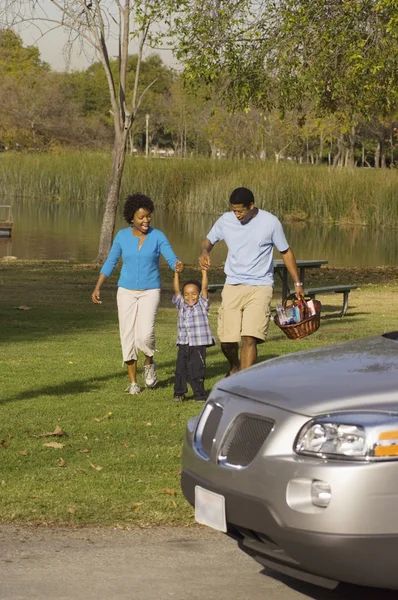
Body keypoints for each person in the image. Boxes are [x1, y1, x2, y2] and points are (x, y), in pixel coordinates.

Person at [198, 187, 304, 376]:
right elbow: (207, 241)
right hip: (232, 285)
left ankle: (242, 383)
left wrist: (297, 283)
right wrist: (205, 252)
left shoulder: (270, 222)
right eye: (234, 210)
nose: (237, 214)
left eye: (241, 210)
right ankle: (234, 366)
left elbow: (286, 252)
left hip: (260, 286)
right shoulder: (225, 220)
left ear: (251, 206)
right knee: (227, 341)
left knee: (249, 337)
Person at [91, 192, 183, 395]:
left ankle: (149, 362)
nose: (146, 220)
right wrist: (98, 286)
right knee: (127, 335)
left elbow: (171, 257)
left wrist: (176, 263)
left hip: (150, 290)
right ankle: (133, 382)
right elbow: (110, 262)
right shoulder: (122, 236)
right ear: (131, 217)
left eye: (148, 216)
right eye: (141, 217)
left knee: (145, 334)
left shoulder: (158, 236)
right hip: (126, 292)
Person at [172, 268, 215, 402]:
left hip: (198, 344)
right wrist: (176, 273)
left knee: (196, 370)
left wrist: (204, 272)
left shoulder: (202, 304)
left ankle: (199, 394)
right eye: (187, 294)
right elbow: (176, 290)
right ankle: (179, 393)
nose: (190, 297)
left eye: (193, 294)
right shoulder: (181, 305)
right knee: (180, 370)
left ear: (198, 294)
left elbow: (204, 287)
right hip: (183, 343)